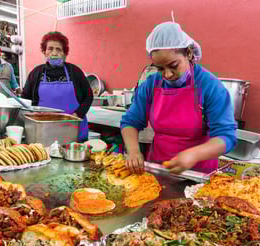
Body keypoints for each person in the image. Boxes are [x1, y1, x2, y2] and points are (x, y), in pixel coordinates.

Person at [121, 22, 237, 174]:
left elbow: (226, 137)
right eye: (160, 68)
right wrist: (134, 151)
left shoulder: (210, 87)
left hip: (198, 172)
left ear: (189, 54)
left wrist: (194, 154)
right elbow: (130, 121)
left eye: (173, 66)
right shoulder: (151, 85)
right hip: (159, 167)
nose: (167, 74)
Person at [22, 31, 93, 142]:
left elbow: (88, 96)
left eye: (58, 49)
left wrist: (77, 114)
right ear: (44, 52)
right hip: (43, 130)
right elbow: (25, 99)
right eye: (50, 49)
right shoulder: (36, 73)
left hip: (73, 129)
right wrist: (33, 114)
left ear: (65, 53)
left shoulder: (75, 71)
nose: (54, 53)